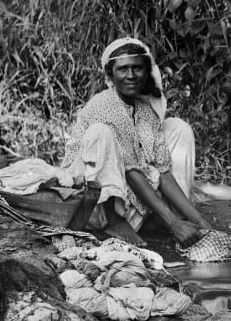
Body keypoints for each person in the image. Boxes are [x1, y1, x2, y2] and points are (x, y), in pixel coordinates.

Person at [62, 37, 211, 247]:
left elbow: (164, 171)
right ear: (111, 74)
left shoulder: (145, 110)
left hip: (130, 196)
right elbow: (131, 173)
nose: (130, 75)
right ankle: (114, 223)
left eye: (137, 68)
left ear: (146, 71)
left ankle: (164, 218)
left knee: (178, 126)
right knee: (100, 132)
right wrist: (174, 224)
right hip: (91, 201)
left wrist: (200, 221)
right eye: (123, 69)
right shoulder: (103, 105)